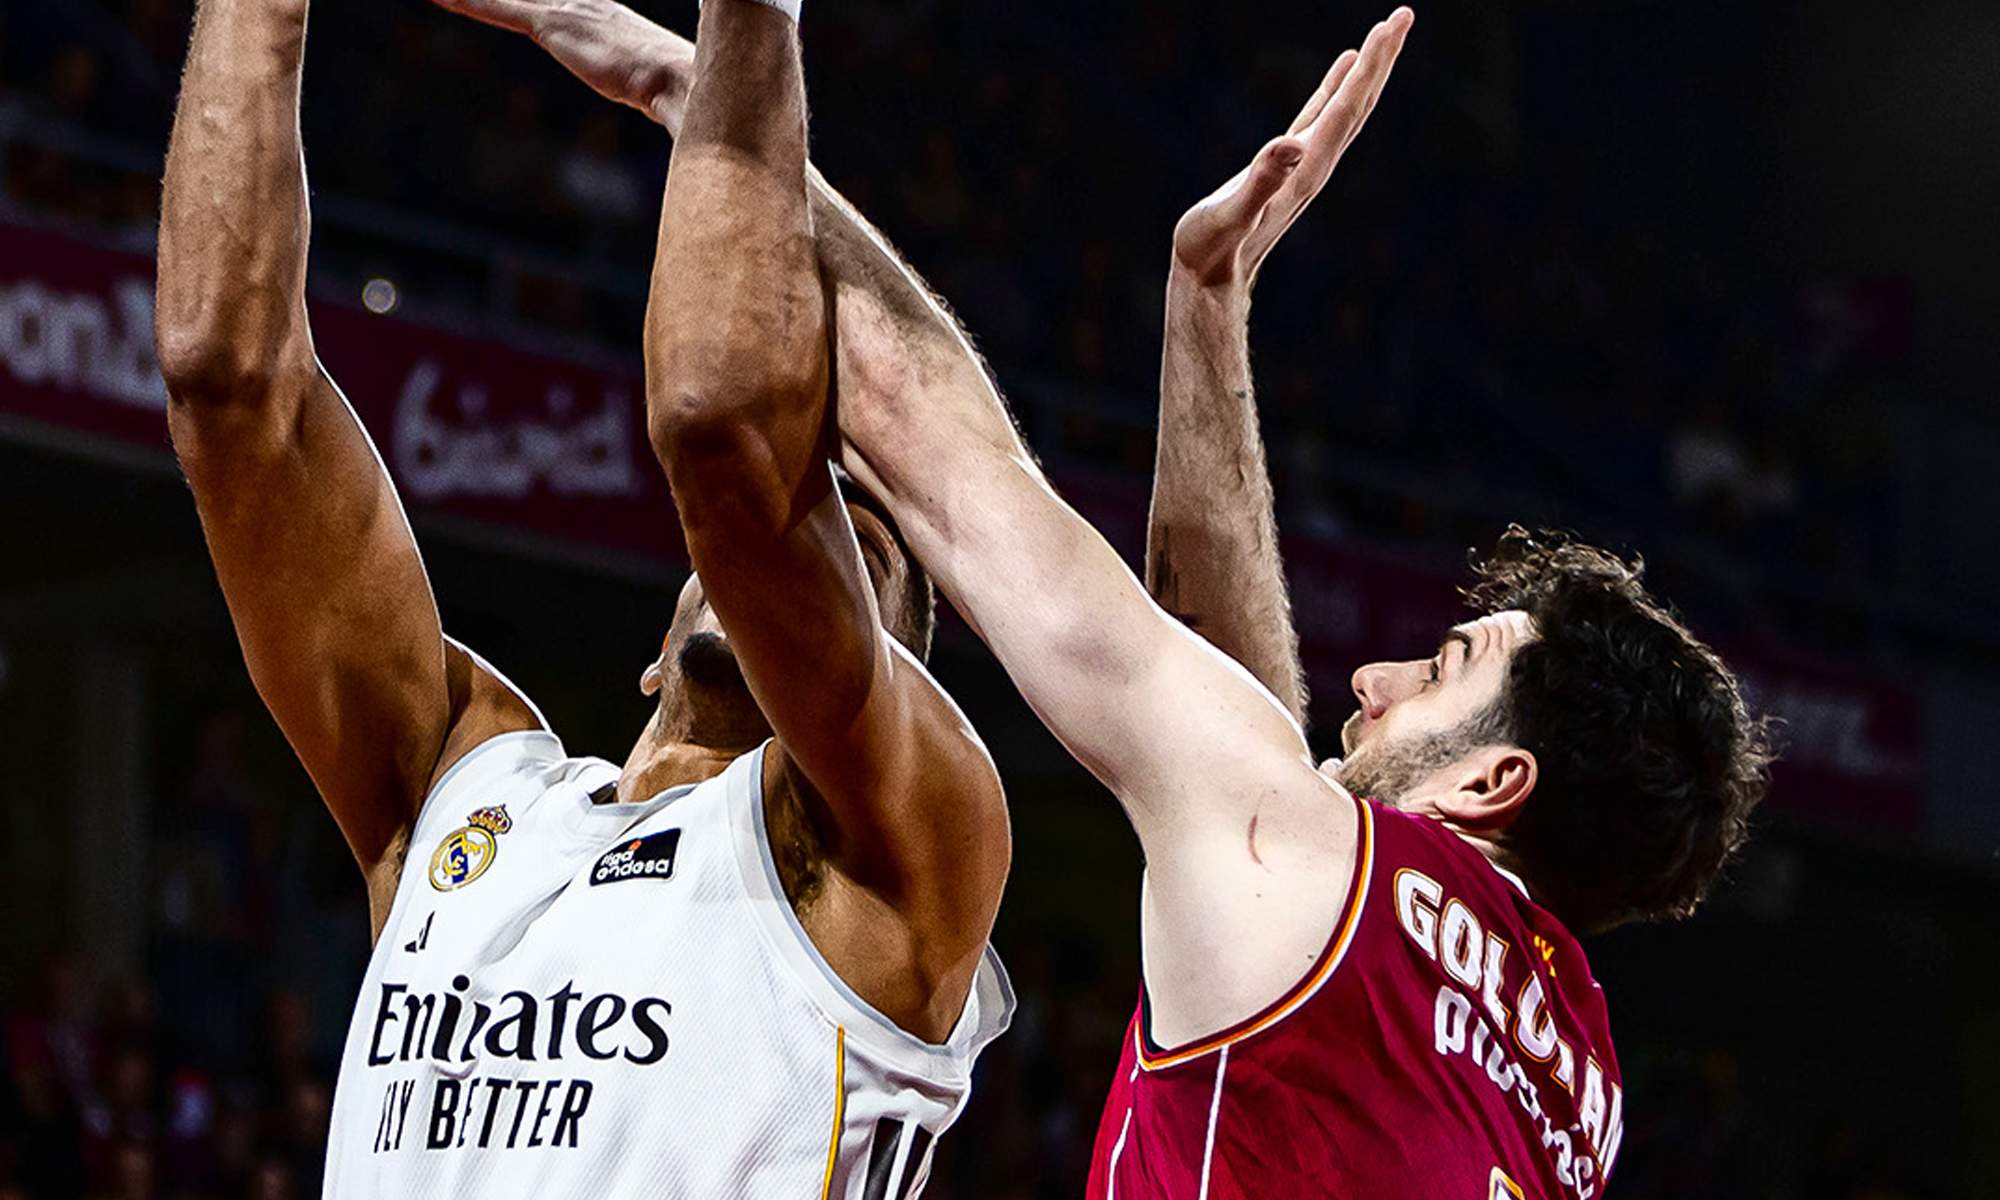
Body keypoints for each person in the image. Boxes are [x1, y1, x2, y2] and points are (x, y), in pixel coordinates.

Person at [819, 9, 1771, 1197]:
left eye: (1440, 672)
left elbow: (936, 455)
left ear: (1490, 780)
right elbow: (1258, 774)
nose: (1369, 684)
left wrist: (715, 100)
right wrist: (1206, 296)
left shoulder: (1321, 867)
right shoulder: (1580, 1091)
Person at [154, 0, 1012, 1193]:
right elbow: (230, 395)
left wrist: (746, 27)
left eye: (868, 562)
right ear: (651, 657)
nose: (829, 538)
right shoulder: (465, 788)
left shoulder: (904, 854)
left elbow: (726, 447)